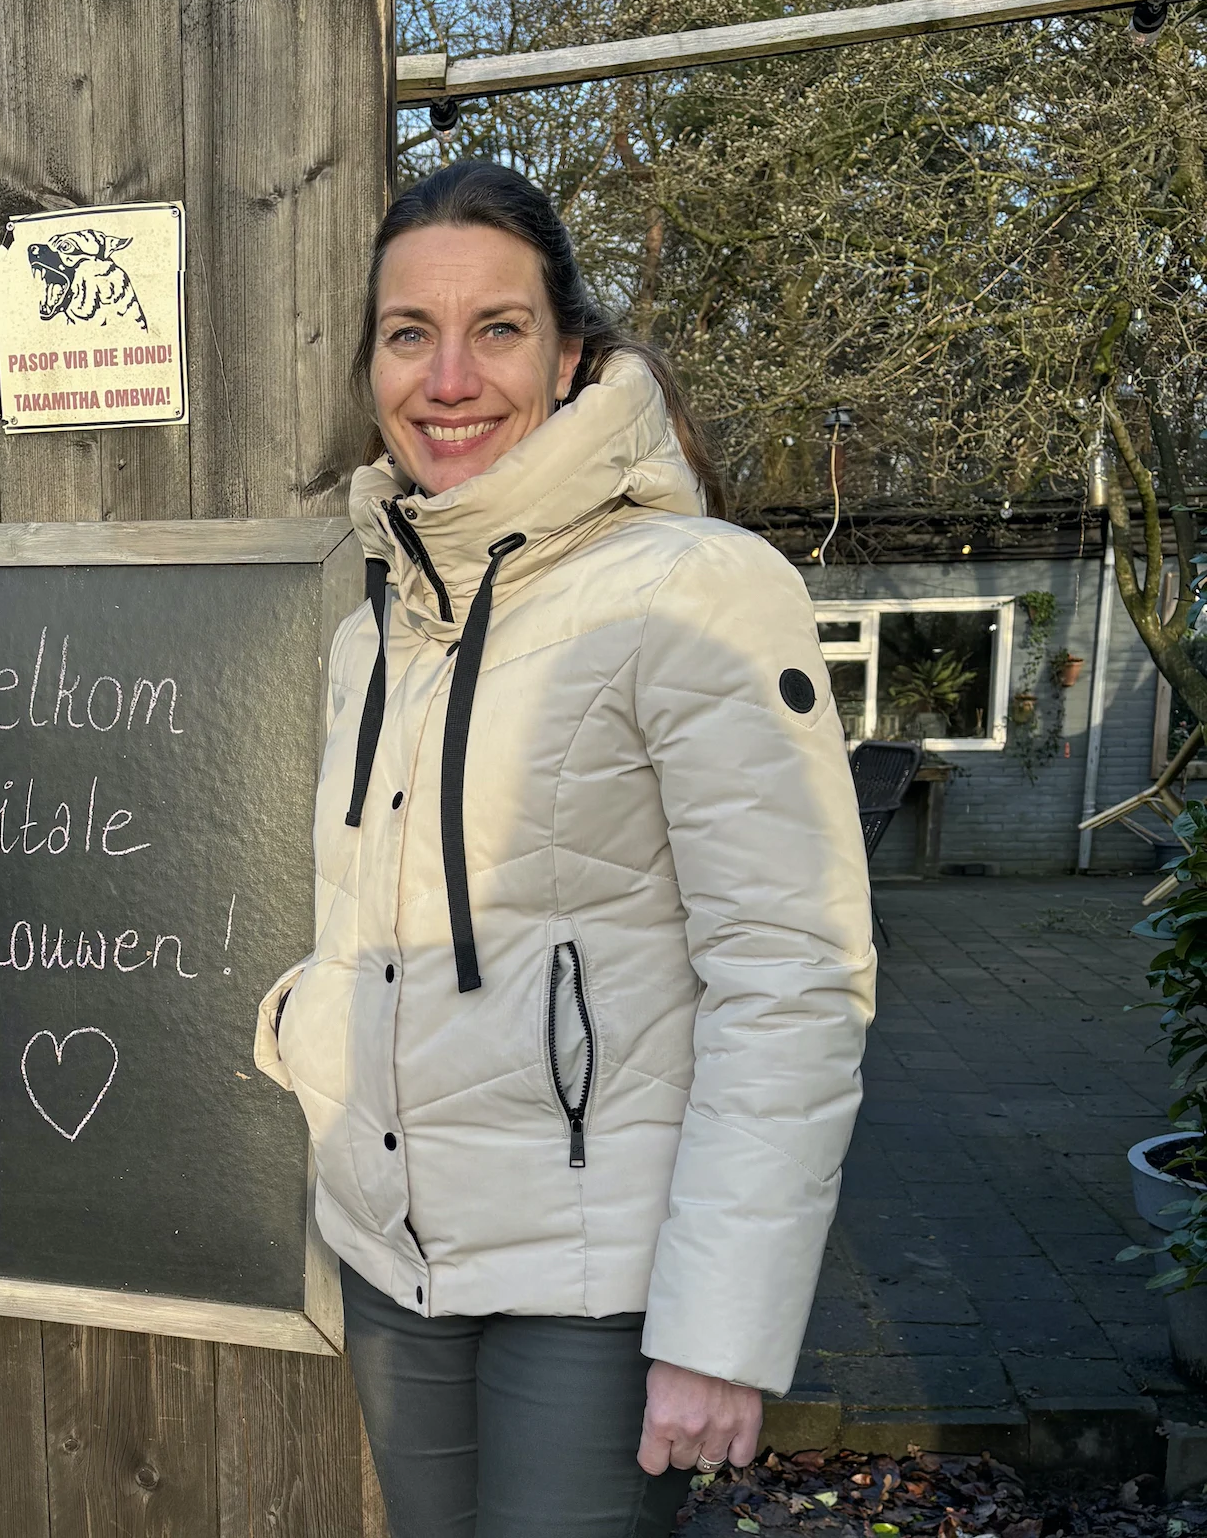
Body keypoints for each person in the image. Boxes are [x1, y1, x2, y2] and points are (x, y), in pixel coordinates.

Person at [254, 161, 875, 1538]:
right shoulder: (379, 632)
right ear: (372, 366)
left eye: (500, 328)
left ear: (573, 351)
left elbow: (792, 976)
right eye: (410, 332)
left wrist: (720, 1330)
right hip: (393, 1260)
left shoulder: (697, 591)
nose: (451, 375)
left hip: (596, 1284)